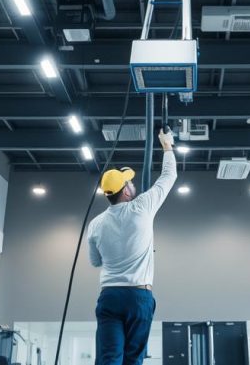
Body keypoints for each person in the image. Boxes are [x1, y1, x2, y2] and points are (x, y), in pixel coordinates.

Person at [87, 128, 177, 365]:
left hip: (109, 296)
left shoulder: (95, 224)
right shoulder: (142, 207)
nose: (132, 184)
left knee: (109, 358)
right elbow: (168, 177)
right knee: (133, 359)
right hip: (138, 295)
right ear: (126, 191)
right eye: (129, 182)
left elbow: (95, 261)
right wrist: (167, 146)